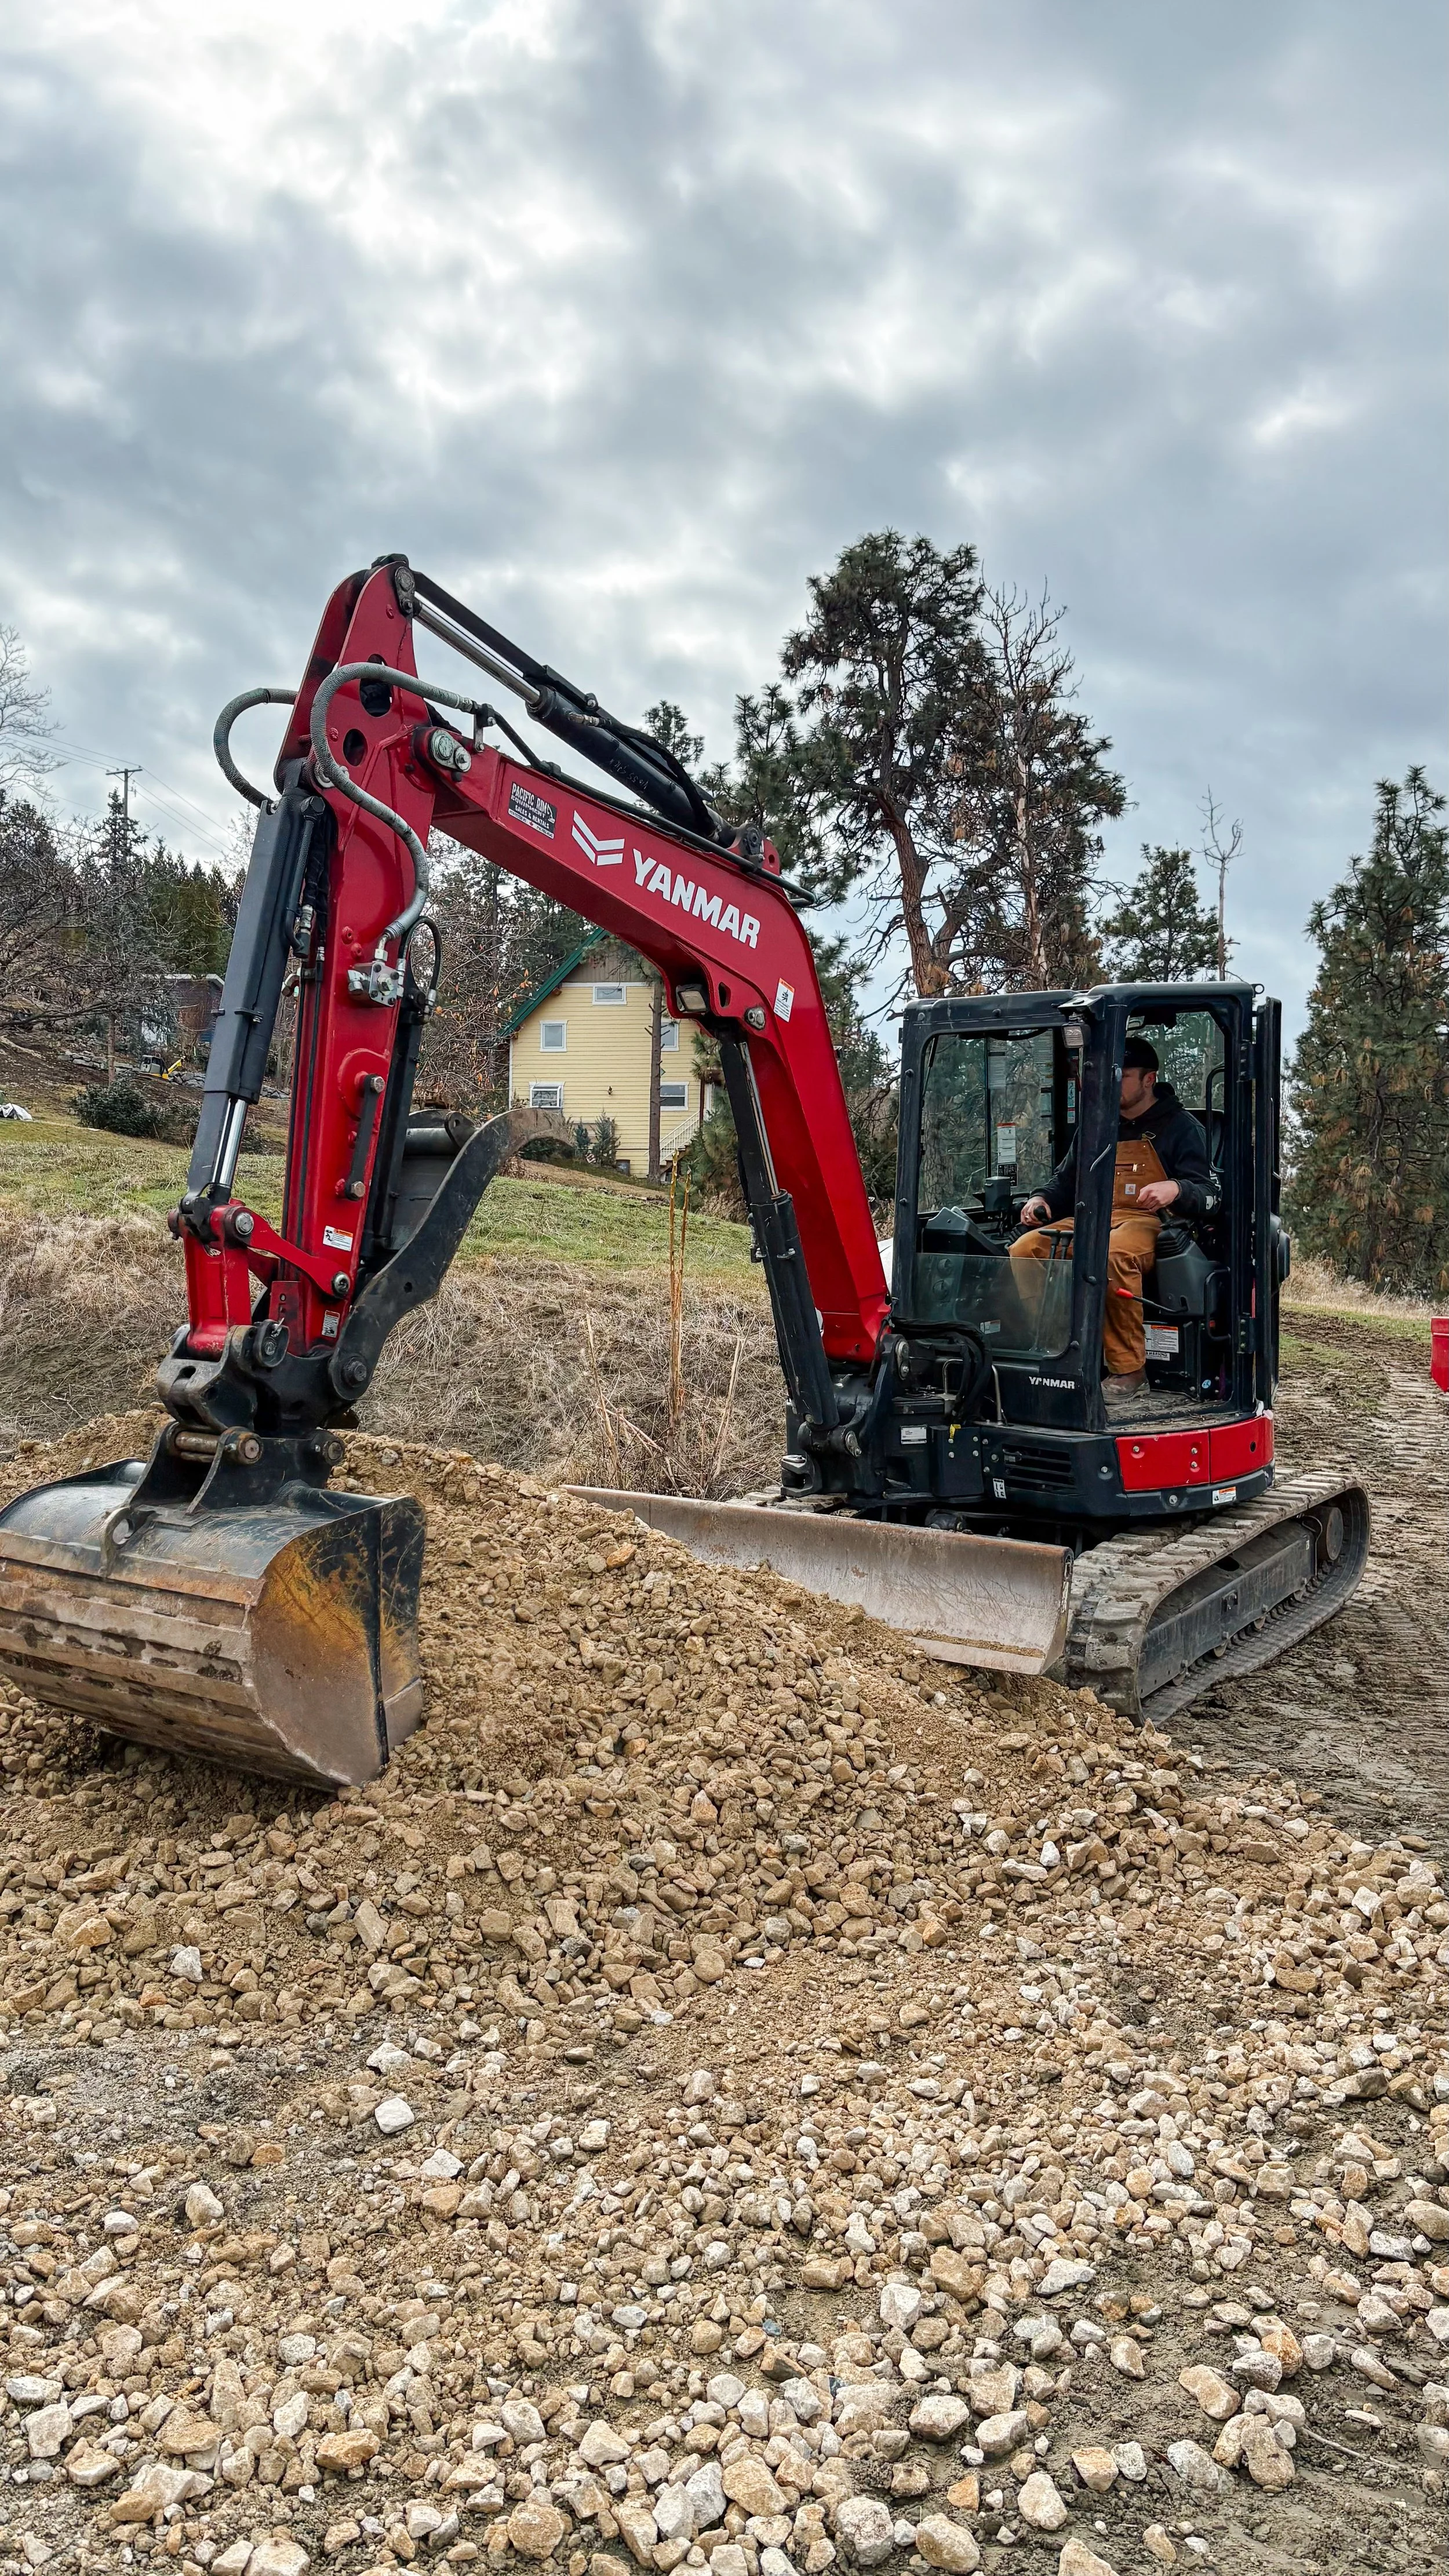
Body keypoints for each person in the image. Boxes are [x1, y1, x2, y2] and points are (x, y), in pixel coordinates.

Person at [1010, 1036, 1215, 1403]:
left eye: (1122, 1075)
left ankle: (1129, 1370)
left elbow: (1208, 1192)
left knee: (1112, 1256)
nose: (1112, 1083)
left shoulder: (1181, 1127)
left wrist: (1176, 1189)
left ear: (1149, 1079)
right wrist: (1040, 1200)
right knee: (1026, 1249)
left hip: (1150, 1221)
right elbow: (1065, 1183)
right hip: (1092, 1217)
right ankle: (1059, 1350)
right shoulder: (1096, 1126)